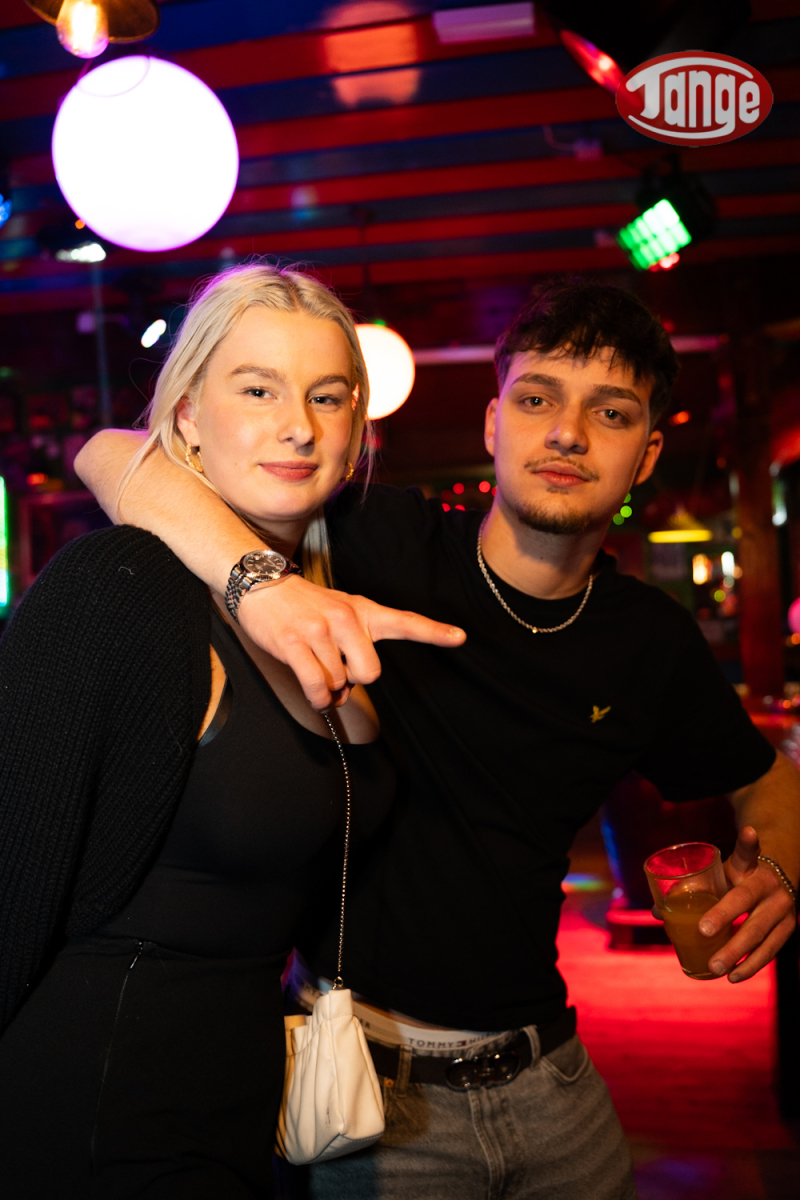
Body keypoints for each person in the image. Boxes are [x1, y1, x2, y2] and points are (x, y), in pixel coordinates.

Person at [77, 277, 800, 1200]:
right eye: (537, 400)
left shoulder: (649, 642)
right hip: (369, 1094)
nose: (568, 434)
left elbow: (765, 777)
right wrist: (266, 587)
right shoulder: (368, 538)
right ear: (494, 423)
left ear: (648, 451)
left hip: (556, 1085)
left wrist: (780, 872)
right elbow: (111, 455)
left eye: (610, 413)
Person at [0, 263, 462, 1199]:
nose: (299, 425)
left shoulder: (340, 606)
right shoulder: (118, 586)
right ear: (185, 421)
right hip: (100, 1102)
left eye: (327, 396)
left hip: (245, 1097)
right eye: (257, 391)